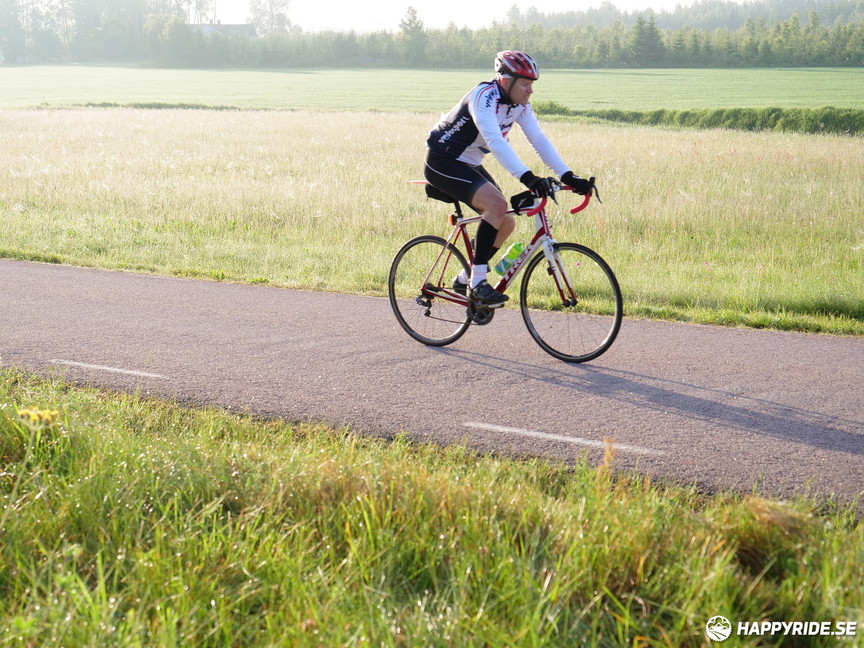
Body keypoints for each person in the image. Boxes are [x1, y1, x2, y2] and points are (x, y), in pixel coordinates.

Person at [424, 50, 593, 305]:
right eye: (525, 84)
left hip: (469, 163)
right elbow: (495, 141)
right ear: (506, 80)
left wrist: (568, 176)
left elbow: (539, 140)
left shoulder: (518, 106)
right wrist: (528, 178)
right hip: (442, 160)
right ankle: (478, 283)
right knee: (496, 205)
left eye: (532, 84)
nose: (530, 91)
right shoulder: (484, 97)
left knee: (506, 222)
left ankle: (464, 278)